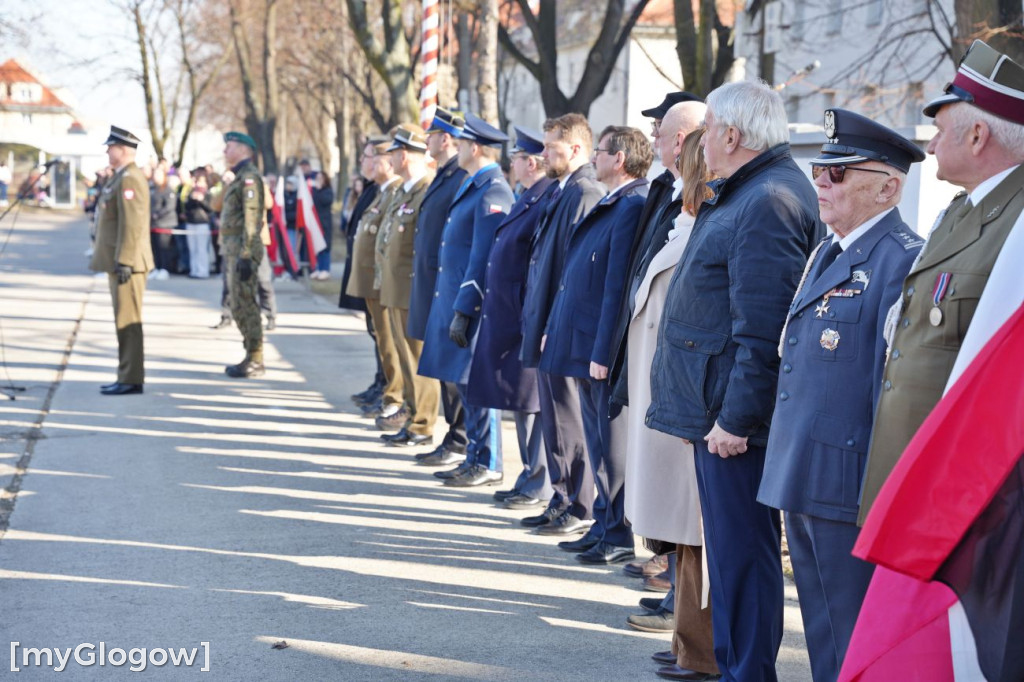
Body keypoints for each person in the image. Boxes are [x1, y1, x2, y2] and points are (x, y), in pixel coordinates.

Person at [646, 81, 824, 681]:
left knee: (742, 556)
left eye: (709, 127)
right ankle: (738, 668)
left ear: (731, 134)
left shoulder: (769, 199)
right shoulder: (750, 191)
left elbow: (764, 331)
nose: (700, 143)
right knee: (731, 555)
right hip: (717, 407)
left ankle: (748, 672)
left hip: (733, 420)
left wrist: (735, 420)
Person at [756, 109, 925, 682]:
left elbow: (896, 386)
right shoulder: (830, 250)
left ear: (888, 187)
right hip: (808, 470)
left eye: (840, 174)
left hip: (850, 480)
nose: (822, 184)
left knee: (850, 630)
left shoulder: (902, 260)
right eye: (820, 172)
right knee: (825, 625)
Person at [860, 40, 1024, 524]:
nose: (930, 144)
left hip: (967, 491)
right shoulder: (960, 211)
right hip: (917, 471)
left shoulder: (1017, 222)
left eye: (939, 130)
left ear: (977, 136)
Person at [622, 128, 719, 681]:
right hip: (661, 401)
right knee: (681, 535)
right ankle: (688, 641)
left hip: (684, 405)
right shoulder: (682, 226)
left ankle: (699, 650)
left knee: (693, 531)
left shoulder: (704, 228)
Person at [540, 125, 651, 565]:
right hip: (582, 341)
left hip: (597, 348)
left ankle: (618, 532)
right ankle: (603, 523)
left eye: (600, 151)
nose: (596, 157)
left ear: (618, 159)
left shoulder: (630, 205)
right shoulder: (612, 201)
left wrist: (603, 352)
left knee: (611, 444)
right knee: (597, 438)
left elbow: (614, 288)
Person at [611, 97, 706, 588]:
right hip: (653, 366)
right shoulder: (666, 192)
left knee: (682, 497)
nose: (654, 140)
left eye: (662, 131)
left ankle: (672, 579)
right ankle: (666, 570)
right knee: (656, 483)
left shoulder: (706, 203)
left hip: (685, 382)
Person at [417, 113, 514, 487]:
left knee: (475, 383)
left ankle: (487, 461)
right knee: (463, 382)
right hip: (456, 300)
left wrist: (465, 306)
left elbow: (483, 256)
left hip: (472, 303)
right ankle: (474, 453)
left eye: (459, 145)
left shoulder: (492, 190)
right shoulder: (474, 185)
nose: (455, 150)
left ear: (474, 148)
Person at [520, 113, 606, 535]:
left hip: (563, 326)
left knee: (569, 416)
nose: (542, 154)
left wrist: (551, 323)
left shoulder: (585, 192)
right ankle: (562, 495)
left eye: (551, 147)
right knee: (555, 416)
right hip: (549, 322)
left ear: (575, 149)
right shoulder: (564, 190)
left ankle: (579, 502)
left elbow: (574, 274)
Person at [467, 126, 555, 508]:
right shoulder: (528, 196)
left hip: (525, 318)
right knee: (520, 403)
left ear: (531, 162)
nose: (512, 163)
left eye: (517, 158)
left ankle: (539, 482)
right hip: (511, 317)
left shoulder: (545, 197)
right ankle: (528, 476)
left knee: (532, 402)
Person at [407, 108, 471, 467]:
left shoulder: (460, 176)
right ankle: (454, 435)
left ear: (445, 138)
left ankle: (459, 438)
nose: (426, 140)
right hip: (435, 283)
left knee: (452, 367)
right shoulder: (445, 175)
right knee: (442, 365)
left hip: (447, 284)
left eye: (431, 134)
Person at [376, 124, 439, 447]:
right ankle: (413, 415)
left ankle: (423, 423)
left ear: (404, 155)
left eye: (394, 153)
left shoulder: (425, 190)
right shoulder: (404, 190)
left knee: (418, 359)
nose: (391, 159)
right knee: (404, 357)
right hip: (394, 287)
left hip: (411, 288)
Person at [89, 125, 154, 395]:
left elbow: (133, 223)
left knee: (128, 322)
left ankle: (130, 377)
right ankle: (126, 374)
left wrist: (125, 259)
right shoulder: (121, 176)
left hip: (128, 262)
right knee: (122, 321)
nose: (107, 150)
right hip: (120, 260)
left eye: (111, 147)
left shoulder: (129, 178)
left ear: (124, 149)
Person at [346, 136, 404, 423]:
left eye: (370, 157)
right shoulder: (382, 192)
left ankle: (394, 396)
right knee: (382, 340)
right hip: (375, 281)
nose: (363, 163)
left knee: (392, 342)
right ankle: (386, 390)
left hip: (386, 283)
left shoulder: (394, 192)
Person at [220, 131, 267, 378]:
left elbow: (252, 218)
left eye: (229, 147)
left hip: (243, 251)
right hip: (235, 251)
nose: (225, 151)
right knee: (238, 304)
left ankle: (256, 358)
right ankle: (250, 354)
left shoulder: (249, 178)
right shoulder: (238, 178)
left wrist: (247, 254)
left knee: (246, 304)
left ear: (243, 149)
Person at [149, 167, 178, 280]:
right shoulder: (153, 189)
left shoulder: (168, 190)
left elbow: (169, 206)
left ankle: (165, 269)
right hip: (153, 224)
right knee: (155, 247)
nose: (155, 176)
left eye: (158, 174)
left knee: (164, 247)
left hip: (164, 223)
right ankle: (157, 267)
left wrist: (157, 214)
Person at [183, 174, 213, 278]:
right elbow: (186, 207)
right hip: (191, 223)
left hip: (202, 223)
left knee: (201, 249)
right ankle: (194, 270)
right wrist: (192, 199)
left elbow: (210, 209)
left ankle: (203, 271)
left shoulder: (208, 194)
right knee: (192, 248)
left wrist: (201, 200)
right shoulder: (191, 193)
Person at [311, 171, 334, 280]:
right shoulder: (314, 191)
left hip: (325, 223)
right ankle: (318, 268)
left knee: (325, 246)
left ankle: (325, 269)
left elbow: (325, 201)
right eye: (317, 178)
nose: (319, 180)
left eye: (321, 178)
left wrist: (318, 190)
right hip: (316, 223)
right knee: (317, 246)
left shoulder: (327, 191)